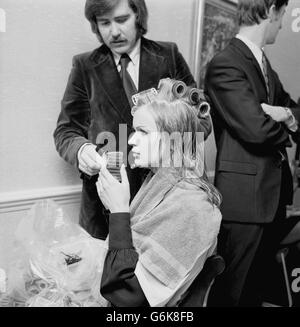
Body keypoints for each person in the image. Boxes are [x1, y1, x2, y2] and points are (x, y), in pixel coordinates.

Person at [53, 0, 211, 240]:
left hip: (164, 200)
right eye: (104, 23)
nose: (114, 32)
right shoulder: (85, 66)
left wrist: (164, 141)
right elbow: (66, 131)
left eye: (121, 20)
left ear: (138, 15)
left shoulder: (168, 55)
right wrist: (81, 149)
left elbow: (200, 120)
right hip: (103, 207)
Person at [204, 0, 300, 306]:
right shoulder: (226, 63)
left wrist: (284, 112)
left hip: (270, 201)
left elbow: (294, 109)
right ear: (271, 10)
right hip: (244, 205)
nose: (282, 24)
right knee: (233, 296)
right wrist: (284, 122)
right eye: (282, 15)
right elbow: (257, 131)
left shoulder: (262, 64)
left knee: (253, 294)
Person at [96, 79, 222, 307]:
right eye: (134, 130)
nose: (132, 140)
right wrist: (113, 203)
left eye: (143, 131)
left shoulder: (194, 208)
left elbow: (128, 298)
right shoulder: (158, 180)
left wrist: (119, 210)